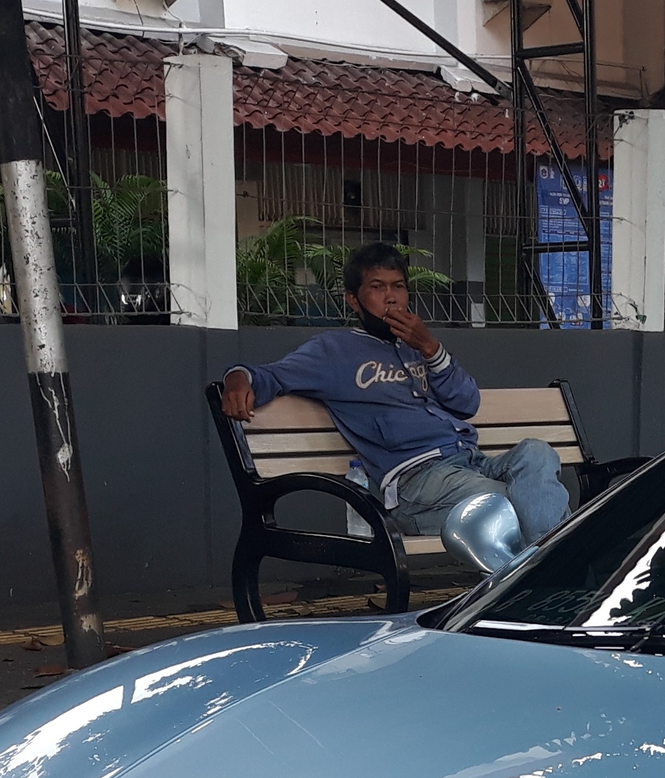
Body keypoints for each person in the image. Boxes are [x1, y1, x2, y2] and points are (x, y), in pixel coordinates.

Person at [218, 243, 567, 574]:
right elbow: (269, 376)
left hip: (470, 463)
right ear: (354, 300)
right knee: (516, 504)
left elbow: (467, 402)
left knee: (536, 453)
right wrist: (237, 378)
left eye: (398, 286)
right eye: (377, 287)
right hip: (417, 486)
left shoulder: (418, 345)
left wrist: (431, 348)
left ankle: (546, 576)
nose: (391, 297)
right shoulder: (333, 351)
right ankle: (558, 575)